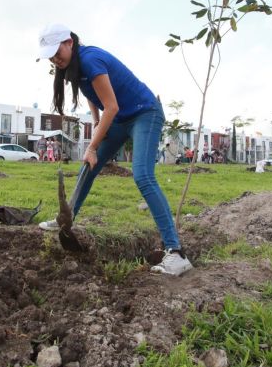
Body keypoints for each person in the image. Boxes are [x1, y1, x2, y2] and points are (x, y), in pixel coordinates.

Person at [36, 23, 192, 276]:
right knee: (88, 166)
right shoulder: (73, 66)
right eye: (50, 55)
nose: (55, 58)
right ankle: (65, 219)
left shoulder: (91, 59)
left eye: (57, 51)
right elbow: (92, 93)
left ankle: (176, 252)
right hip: (119, 118)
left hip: (144, 113)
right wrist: (96, 121)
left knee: (143, 175)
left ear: (69, 43)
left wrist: (94, 145)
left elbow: (112, 106)